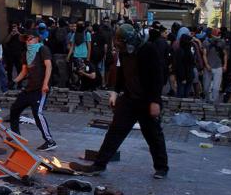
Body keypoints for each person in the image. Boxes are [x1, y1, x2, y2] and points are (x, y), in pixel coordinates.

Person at [70, 24, 169, 179]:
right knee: (114, 132)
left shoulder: (148, 49)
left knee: (153, 135)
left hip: (147, 99)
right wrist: (115, 92)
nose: (121, 47)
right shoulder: (124, 52)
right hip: (129, 98)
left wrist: (155, 101)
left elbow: (158, 77)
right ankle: (99, 165)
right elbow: (122, 73)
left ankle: (162, 167)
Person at [10, 29, 56, 151]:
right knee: (14, 109)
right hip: (29, 88)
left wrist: (45, 84)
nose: (28, 41)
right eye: (26, 39)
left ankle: (50, 141)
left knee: (38, 114)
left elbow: (49, 66)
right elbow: (24, 71)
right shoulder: (25, 53)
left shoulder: (43, 49)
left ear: (37, 39)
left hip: (40, 88)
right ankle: (16, 136)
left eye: (30, 38)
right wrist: (14, 81)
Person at [202, 28, 227, 103]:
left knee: (216, 88)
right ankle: (208, 100)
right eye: (218, 33)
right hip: (208, 67)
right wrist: (207, 65)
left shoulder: (222, 42)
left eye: (219, 33)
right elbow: (204, 55)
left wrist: (225, 65)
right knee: (206, 88)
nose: (219, 35)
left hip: (218, 67)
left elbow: (225, 54)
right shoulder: (206, 42)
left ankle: (214, 104)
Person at [173, 28, 195, 98]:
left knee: (182, 95)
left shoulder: (181, 50)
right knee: (183, 95)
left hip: (185, 76)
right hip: (186, 76)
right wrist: (183, 78)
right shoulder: (185, 51)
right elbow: (181, 65)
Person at [3, 23, 22, 89]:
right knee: (9, 70)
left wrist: (18, 33)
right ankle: (10, 84)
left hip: (18, 53)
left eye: (15, 26)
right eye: (13, 26)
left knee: (19, 69)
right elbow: (5, 41)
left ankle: (20, 84)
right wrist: (11, 34)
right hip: (10, 54)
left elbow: (24, 39)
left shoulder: (20, 31)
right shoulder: (8, 32)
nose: (14, 27)